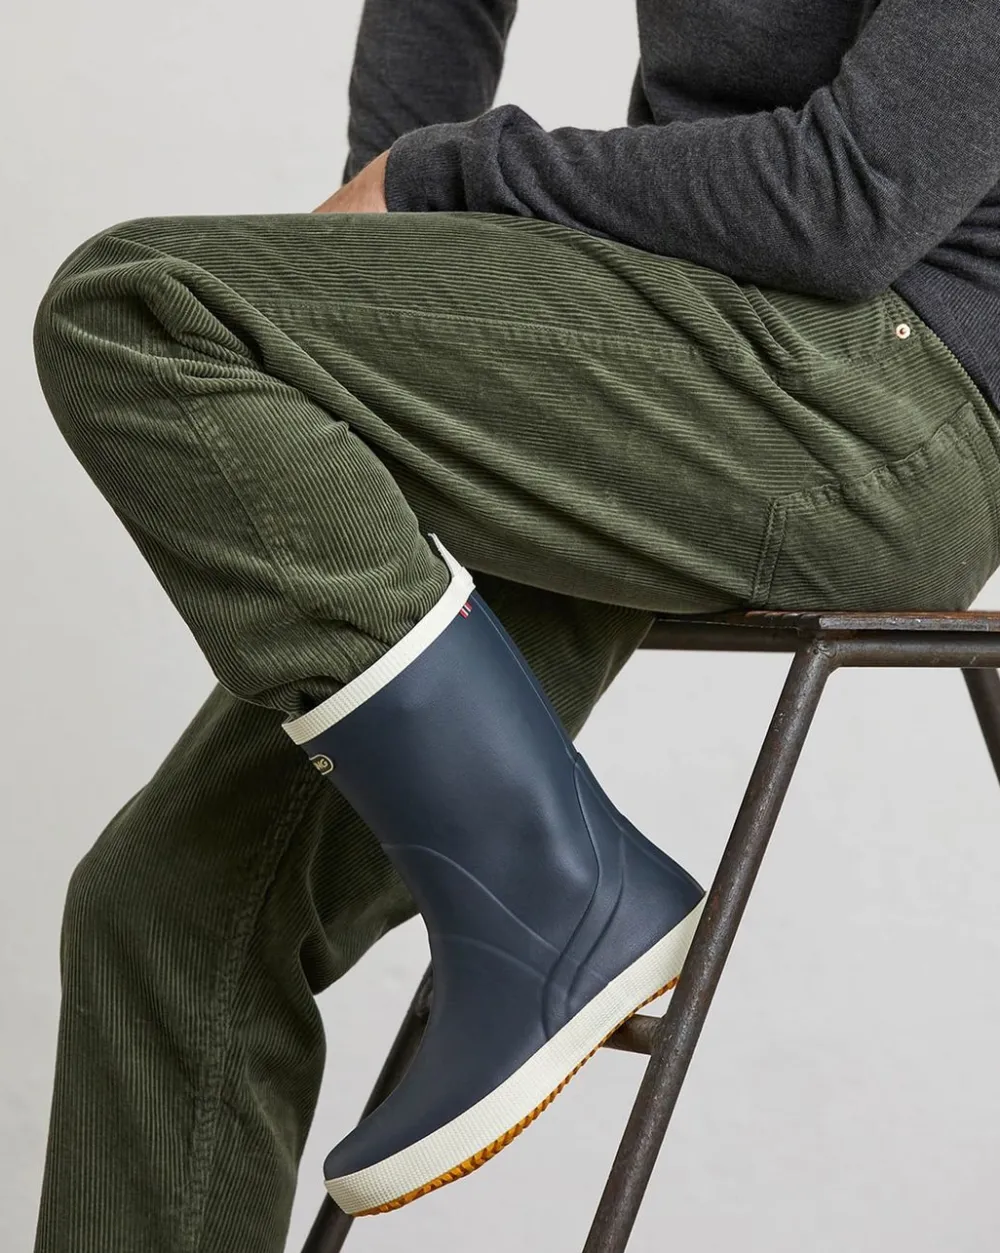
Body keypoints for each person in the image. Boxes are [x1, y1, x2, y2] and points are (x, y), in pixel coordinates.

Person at [30, 0, 1000, 1247]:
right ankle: (553, 884)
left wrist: (434, 176)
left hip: (895, 397)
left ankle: (553, 888)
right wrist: (374, 266)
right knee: (171, 911)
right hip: (676, 320)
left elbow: (851, 199)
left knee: (148, 304)